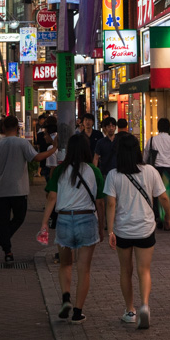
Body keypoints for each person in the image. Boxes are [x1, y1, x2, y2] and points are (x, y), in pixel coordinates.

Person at [104, 132, 168, 329]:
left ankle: (130, 310)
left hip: (123, 230)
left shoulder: (113, 175)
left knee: (126, 270)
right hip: (146, 228)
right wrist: (168, 217)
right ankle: (145, 306)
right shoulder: (150, 171)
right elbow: (164, 198)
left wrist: (110, 230)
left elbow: (110, 204)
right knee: (144, 270)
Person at [42, 133, 105, 324]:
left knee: (65, 264)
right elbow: (100, 203)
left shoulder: (59, 171)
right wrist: (101, 228)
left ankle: (65, 298)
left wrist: (44, 223)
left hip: (64, 220)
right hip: (86, 219)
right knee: (84, 269)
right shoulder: (94, 171)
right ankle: (78, 312)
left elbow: (51, 198)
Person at [0, 116, 55, 265]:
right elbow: (36, 158)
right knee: (19, 218)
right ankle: (4, 249)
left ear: (3, 128)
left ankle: (4, 248)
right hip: (19, 189)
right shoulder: (22, 143)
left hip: (2, 190)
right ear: (17, 127)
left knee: (2, 222)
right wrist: (54, 149)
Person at [145, 118, 170, 226]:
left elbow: (145, 156)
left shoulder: (152, 140)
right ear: (169, 127)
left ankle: (158, 217)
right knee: (168, 195)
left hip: (157, 170)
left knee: (157, 194)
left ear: (158, 127)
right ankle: (168, 218)